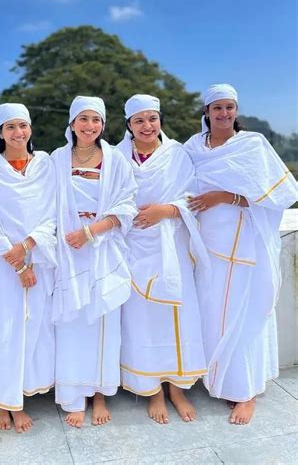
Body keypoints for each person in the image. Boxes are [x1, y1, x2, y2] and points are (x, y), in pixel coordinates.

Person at [184, 84, 297, 425]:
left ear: (236, 111)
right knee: (210, 313)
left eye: (229, 107)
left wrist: (226, 197)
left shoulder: (253, 145)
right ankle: (214, 378)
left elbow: (281, 195)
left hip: (246, 247)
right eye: (217, 108)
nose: (223, 114)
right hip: (205, 248)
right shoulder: (192, 147)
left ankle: (245, 392)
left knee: (242, 317)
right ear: (206, 112)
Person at [117, 94, 208, 425]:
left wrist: (164, 211)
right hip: (132, 247)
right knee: (141, 320)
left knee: (176, 316)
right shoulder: (116, 157)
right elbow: (108, 200)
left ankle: (177, 388)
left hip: (172, 245)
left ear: (160, 121)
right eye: (139, 120)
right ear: (128, 125)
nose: (147, 126)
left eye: (152, 118)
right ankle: (152, 389)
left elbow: (192, 198)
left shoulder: (177, 155)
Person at [52, 96, 137, 428]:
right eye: (83, 119)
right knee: (73, 324)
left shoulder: (115, 160)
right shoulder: (56, 159)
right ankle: (74, 396)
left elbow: (128, 204)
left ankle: (100, 394)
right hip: (67, 251)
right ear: (72, 123)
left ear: (104, 124)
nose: (90, 126)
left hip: (102, 247)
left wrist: (92, 231)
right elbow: (45, 202)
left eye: (96, 120)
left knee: (103, 323)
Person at [0, 103, 57, 433]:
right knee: (2, 329)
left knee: (35, 327)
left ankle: (21, 396)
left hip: (38, 255)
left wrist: (28, 248)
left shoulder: (44, 165)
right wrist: (18, 264)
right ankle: (1, 404)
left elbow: (52, 211)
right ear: (0, 132)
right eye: (10, 127)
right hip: (1, 264)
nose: (18, 133)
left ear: (30, 129)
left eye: (22, 126)